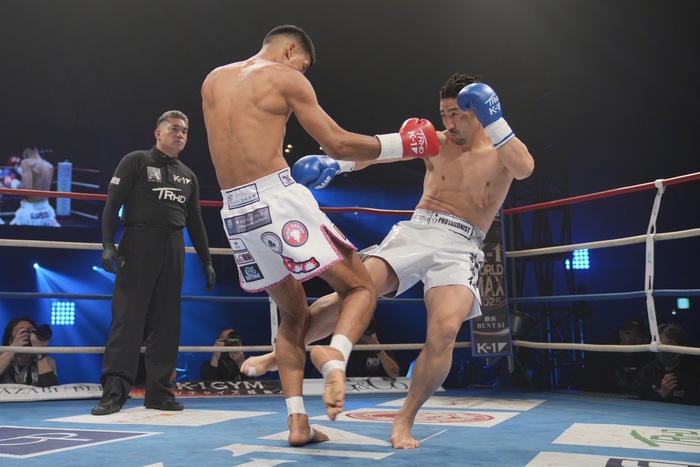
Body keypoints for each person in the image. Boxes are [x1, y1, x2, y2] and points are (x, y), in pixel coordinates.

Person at [244, 73, 534, 448]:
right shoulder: (435, 140)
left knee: (445, 332)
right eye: (444, 114)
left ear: (479, 111)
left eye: (457, 114)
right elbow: (379, 152)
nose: (449, 123)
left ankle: (404, 419)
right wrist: (336, 164)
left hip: (463, 245)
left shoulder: (502, 148)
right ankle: (279, 353)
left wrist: (496, 120)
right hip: (419, 229)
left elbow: (525, 169)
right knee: (356, 291)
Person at [201, 24, 439, 446]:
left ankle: (298, 423)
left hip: (234, 212)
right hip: (277, 196)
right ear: (290, 49)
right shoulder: (286, 77)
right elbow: (338, 144)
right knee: (360, 286)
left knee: (294, 315)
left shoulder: (213, 79)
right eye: (304, 65)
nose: (303, 74)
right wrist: (405, 145)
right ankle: (336, 353)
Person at [91, 110, 216, 416]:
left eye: (184, 131)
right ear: (158, 133)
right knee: (127, 319)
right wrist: (107, 245)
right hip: (139, 242)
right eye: (174, 129)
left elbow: (196, 221)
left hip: (174, 246)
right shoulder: (135, 160)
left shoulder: (188, 175)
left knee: (167, 321)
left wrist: (207, 260)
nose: (180, 134)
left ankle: (159, 392)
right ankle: (114, 393)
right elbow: (112, 205)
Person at [578, 318, 654, 394]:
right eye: (628, 333)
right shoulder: (603, 355)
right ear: (621, 334)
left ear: (644, 339)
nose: (632, 338)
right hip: (605, 396)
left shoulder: (648, 360)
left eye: (638, 335)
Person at [634, 323, 700, 405]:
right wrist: (661, 395)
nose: (664, 348)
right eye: (660, 344)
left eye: (670, 343)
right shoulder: (647, 372)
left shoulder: (695, 372)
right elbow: (641, 406)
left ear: (682, 348)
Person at [9, 147, 60, 226]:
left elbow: (26, 188)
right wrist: (18, 169)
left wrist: (12, 182)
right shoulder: (49, 166)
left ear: (26, 151)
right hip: (47, 211)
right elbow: (36, 179)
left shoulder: (26, 162)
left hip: (30, 211)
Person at [1, 317, 57, 387]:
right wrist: (13, 347)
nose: (27, 335)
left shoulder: (47, 360)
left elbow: (50, 387)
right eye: (22, 332)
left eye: (30, 330)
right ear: (10, 340)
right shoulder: (2, 357)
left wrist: (40, 352)